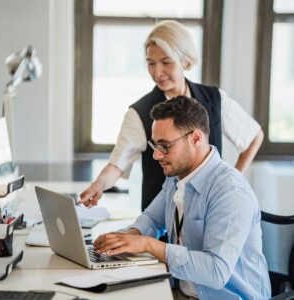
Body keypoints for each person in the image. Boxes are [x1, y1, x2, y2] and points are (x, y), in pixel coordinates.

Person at [93, 96, 271, 299]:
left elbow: (216, 271)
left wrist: (147, 244)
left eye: (165, 146)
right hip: (180, 291)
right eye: (155, 146)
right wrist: (126, 238)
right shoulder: (178, 176)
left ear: (195, 138)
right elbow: (152, 219)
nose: (156, 156)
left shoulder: (230, 192)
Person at [80, 20, 264, 211]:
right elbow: (117, 165)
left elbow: (254, 136)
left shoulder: (215, 99)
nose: (157, 72)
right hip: (159, 220)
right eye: (151, 63)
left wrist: (233, 180)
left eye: (166, 62)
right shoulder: (140, 112)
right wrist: (98, 185)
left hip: (210, 212)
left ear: (185, 61)